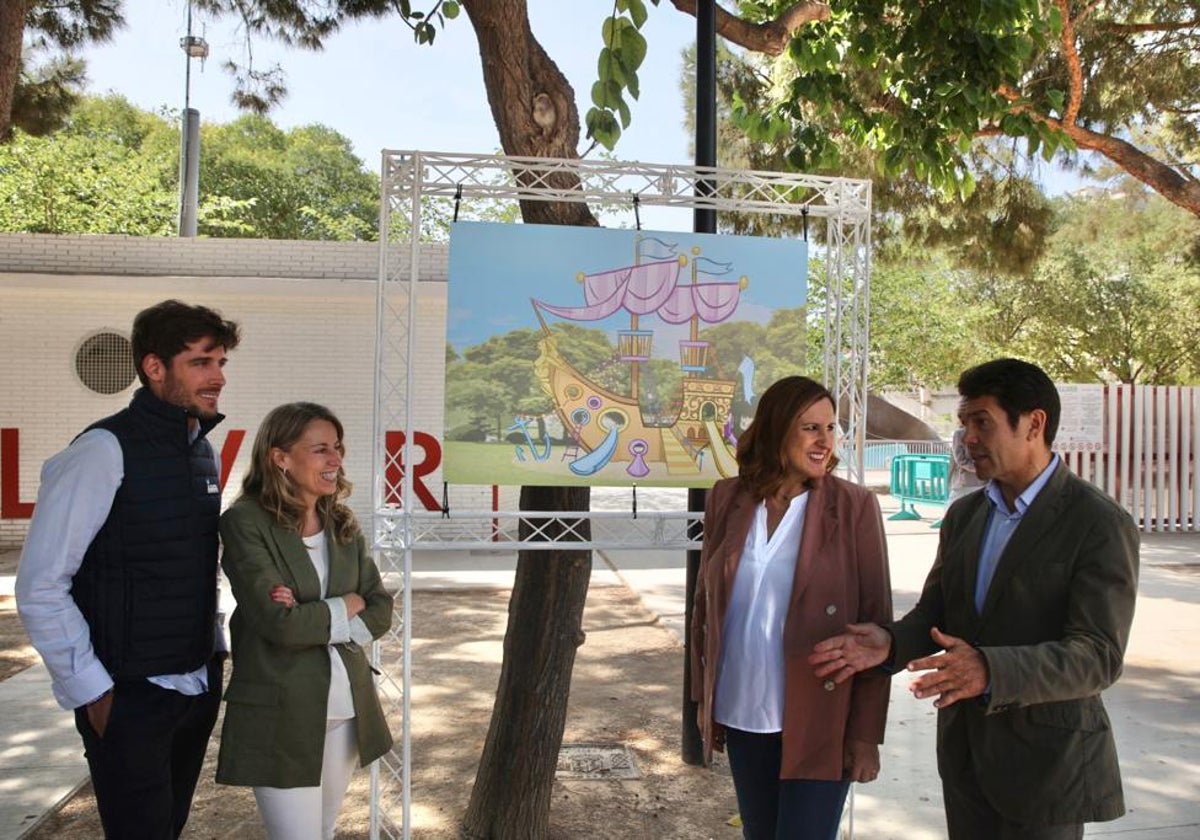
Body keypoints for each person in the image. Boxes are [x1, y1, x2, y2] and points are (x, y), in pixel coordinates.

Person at [809, 358, 1139, 840]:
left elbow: (1098, 656)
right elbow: (936, 614)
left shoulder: (1097, 523)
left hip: (1045, 768)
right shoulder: (966, 516)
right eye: (964, 423)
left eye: (981, 421)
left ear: (1034, 423)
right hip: (966, 761)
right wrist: (890, 643)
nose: (967, 438)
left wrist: (990, 669)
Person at [15, 299, 241, 839]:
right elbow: (41, 583)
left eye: (221, 363)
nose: (217, 378)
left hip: (194, 686)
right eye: (201, 362)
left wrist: (212, 662)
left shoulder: (199, 452)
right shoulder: (100, 450)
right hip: (128, 697)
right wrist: (91, 689)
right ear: (153, 367)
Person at [691, 376, 893, 840]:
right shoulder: (727, 498)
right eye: (810, 428)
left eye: (831, 427)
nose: (826, 441)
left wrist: (865, 735)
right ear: (777, 429)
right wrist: (706, 703)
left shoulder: (855, 507)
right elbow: (706, 610)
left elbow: (876, 625)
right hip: (744, 710)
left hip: (823, 714)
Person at [216, 402, 393, 840]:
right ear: (280, 457)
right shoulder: (244, 522)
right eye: (320, 450)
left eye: (337, 448)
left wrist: (319, 614)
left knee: (324, 830)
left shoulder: (342, 524)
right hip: (280, 713)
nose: (335, 460)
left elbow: (380, 609)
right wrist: (343, 604)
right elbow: (280, 625)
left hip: (347, 709)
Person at [946, 425, 985, 505]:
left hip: (984, 483)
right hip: (965, 482)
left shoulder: (988, 433)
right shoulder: (959, 434)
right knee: (953, 508)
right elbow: (960, 460)